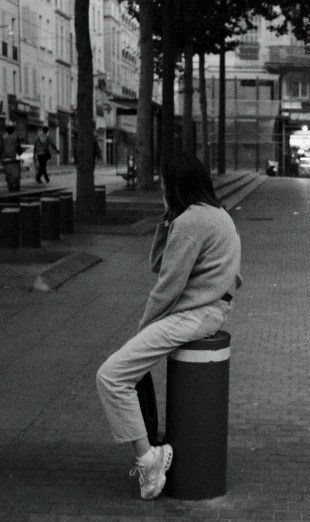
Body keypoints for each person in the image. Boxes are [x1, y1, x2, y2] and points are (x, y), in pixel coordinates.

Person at [96, 152, 243, 500]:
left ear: (174, 185)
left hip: (194, 314)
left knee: (112, 376)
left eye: (164, 183)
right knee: (119, 374)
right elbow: (160, 263)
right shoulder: (212, 214)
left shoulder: (193, 222)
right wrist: (167, 221)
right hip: (209, 310)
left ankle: (150, 460)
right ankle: (150, 457)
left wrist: (143, 328)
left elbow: (167, 285)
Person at [0, 122, 23, 192]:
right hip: (13, 157)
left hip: (5, 157)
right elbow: (19, 147)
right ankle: (15, 186)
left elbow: (1, 147)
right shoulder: (16, 137)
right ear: (13, 130)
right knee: (14, 172)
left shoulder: (3, 137)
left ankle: (10, 184)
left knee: (8, 173)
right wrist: (20, 152)